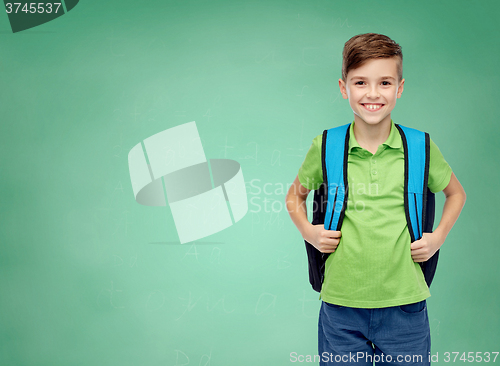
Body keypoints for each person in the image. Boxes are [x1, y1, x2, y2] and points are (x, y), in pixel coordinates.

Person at [285, 33, 466, 365]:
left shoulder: (419, 147)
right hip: (341, 305)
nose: (372, 93)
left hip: (405, 305)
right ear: (344, 88)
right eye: (360, 82)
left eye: (384, 82)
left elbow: (456, 193)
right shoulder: (326, 146)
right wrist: (310, 233)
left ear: (399, 88)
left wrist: (437, 237)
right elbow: (294, 196)